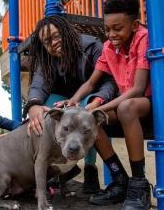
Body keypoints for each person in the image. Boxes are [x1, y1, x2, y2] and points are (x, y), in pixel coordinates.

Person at [65, 0, 152, 209]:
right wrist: (73, 101)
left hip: (150, 103)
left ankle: (139, 184)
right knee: (90, 120)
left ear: (135, 24)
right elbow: (91, 84)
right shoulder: (108, 47)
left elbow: (138, 89)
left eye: (118, 28)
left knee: (124, 107)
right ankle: (120, 180)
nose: (111, 34)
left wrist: (100, 107)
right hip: (127, 105)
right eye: (107, 29)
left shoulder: (144, 38)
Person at [23, 15, 117, 194]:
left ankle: (90, 168)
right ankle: (59, 166)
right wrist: (33, 105)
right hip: (63, 101)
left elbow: (109, 81)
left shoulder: (92, 47)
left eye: (56, 36)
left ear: (67, 32)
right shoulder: (47, 59)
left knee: (87, 117)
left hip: (91, 98)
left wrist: (96, 101)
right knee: (46, 108)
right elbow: (38, 86)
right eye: (47, 41)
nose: (53, 43)